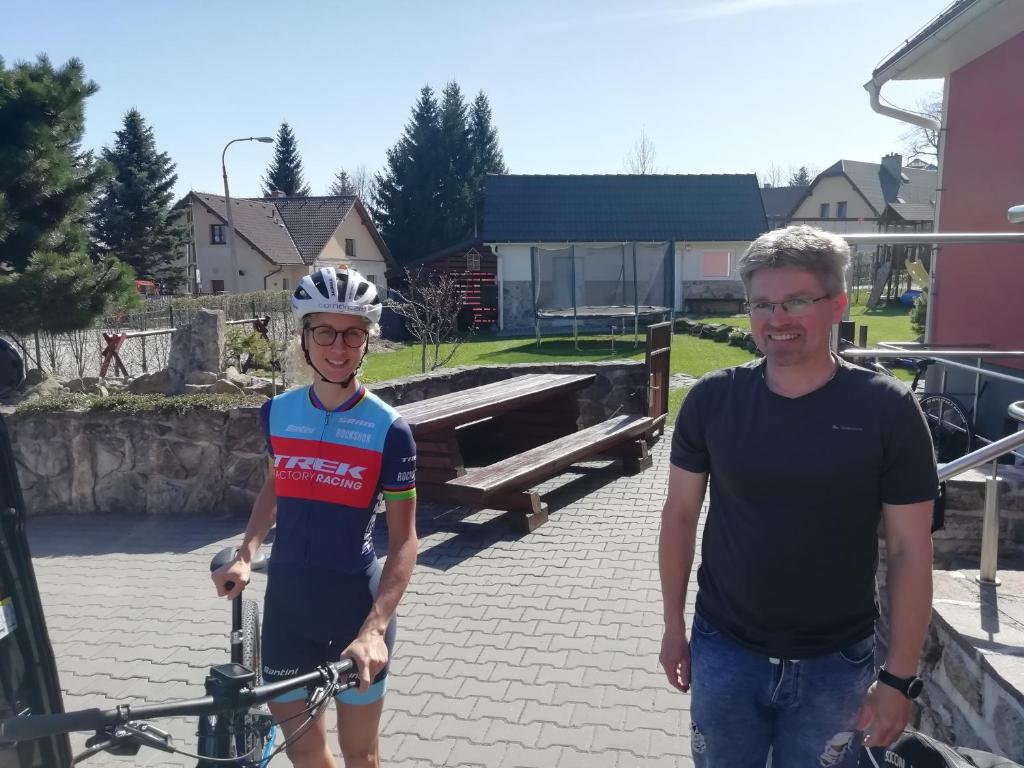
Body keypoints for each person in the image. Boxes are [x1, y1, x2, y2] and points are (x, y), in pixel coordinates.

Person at [658, 226, 937, 767]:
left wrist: (899, 676)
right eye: (762, 303)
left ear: (836, 305)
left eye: (796, 301)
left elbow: (910, 549)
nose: (776, 319)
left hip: (836, 661)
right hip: (725, 648)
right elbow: (680, 515)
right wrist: (673, 628)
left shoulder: (887, 410)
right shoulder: (712, 401)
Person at [212, 266, 418, 768]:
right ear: (304, 336)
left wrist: (375, 627)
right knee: (303, 751)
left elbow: (406, 540)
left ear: (367, 341)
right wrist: (246, 552)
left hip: (354, 605)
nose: (338, 346)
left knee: (360, 754)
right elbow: (278, 482)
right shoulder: (277, 412)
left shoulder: (390, 430)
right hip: (287, 606)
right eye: (324, 331)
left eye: (353, 333)